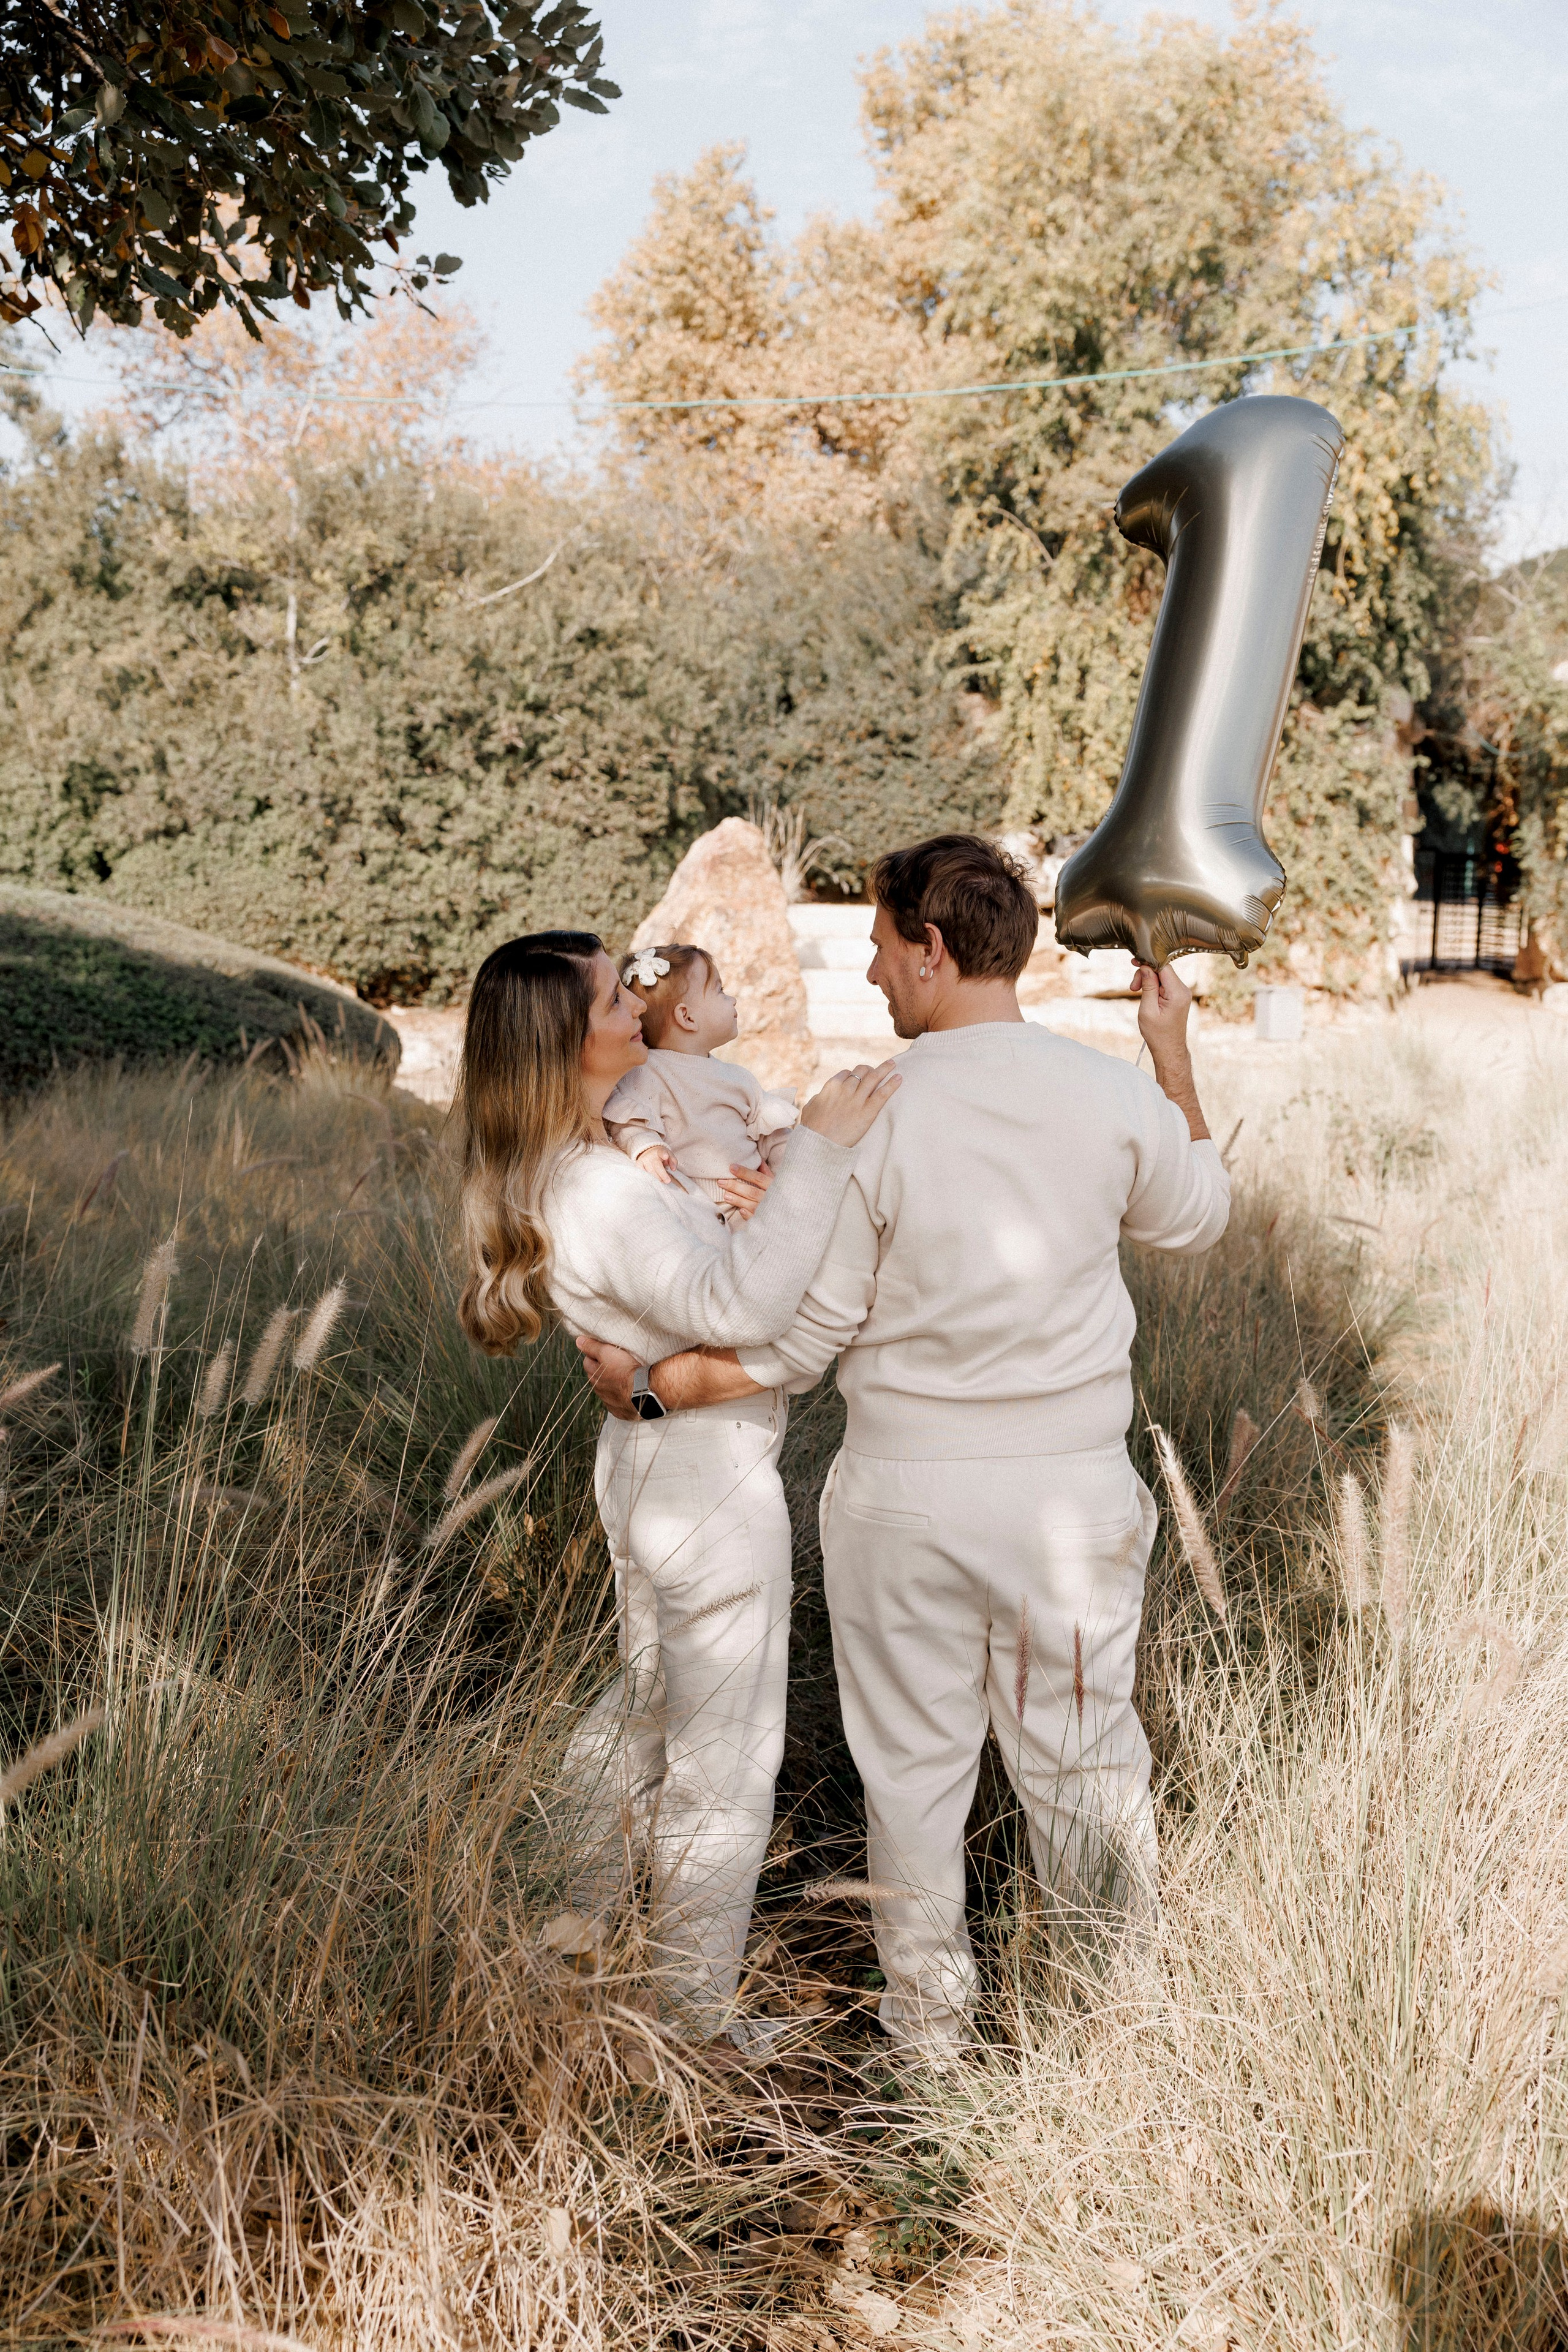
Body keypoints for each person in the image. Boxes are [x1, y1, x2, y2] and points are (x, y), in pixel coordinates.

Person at [575, 837, 1231, 2059]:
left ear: (930, 951)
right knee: (1085, 1773)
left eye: (880, 949)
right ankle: (1105, 2043)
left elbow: (802, 1339)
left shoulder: (871, 1113)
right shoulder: (1106, 1097)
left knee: (913, 1782)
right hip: (1071, 1501)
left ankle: (927, 2050)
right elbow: (1197, 1212)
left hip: (900, 1502)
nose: (872, 976)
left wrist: (657, 1388)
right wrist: (1169, 1054)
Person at [453, 929, 899, 2049]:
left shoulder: (605, 1167)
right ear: (567, 1041)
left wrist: (744, 1217)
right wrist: (822, 1157)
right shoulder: (601, 1191)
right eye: (612, 1002)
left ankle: (584, 1923)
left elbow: (712, 1288)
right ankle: (694, 2019)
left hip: (656, 1471)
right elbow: (747, 1311)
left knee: (650, 1701)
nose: (637, 1013)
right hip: (704, 1493)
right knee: (725, 1757)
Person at [604, 943, 799, 1222]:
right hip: (693, 1208)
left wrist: (787, 1187)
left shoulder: (739, 1078)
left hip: (750, 1202)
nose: (733, 1000)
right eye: (720, 991)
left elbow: (775, 1139)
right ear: (687, 1017)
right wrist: (645, 1146)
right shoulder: (647, 1072)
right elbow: (629, 1119)